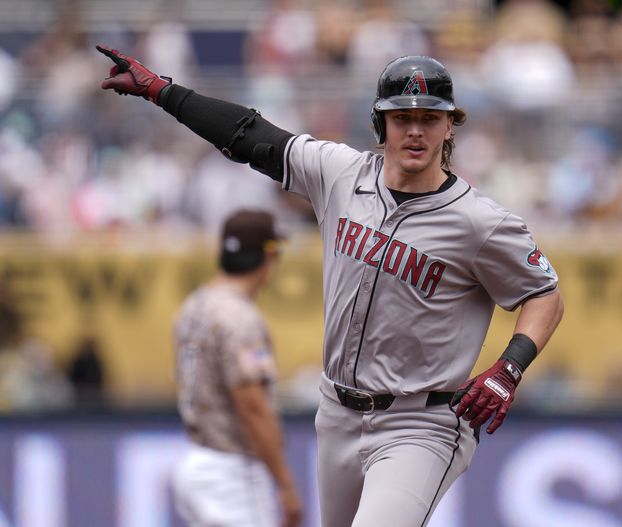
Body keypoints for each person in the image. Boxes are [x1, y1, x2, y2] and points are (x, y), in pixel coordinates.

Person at [97, 45, 564, 527]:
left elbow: (544, 294)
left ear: (451, 126)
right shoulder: (341, 174)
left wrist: (510, 368)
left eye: (430, 117)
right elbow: (250, 136)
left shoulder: (481, 222)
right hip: (337, 411)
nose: (416, 130)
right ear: (381, 124)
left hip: (420, 422)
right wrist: (161, 92)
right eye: (402, 117)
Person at [170, 209, 302, 527]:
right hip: (232, 470)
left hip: (196, 459)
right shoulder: (240, 319)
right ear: (268, 257)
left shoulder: (194, 305)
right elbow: (252, 407)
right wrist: (285, 484)